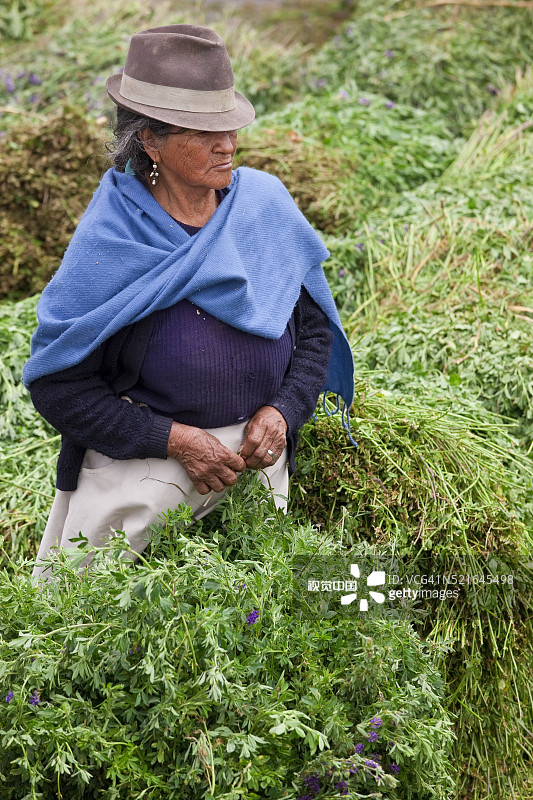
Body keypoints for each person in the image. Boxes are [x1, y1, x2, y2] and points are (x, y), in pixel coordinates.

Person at [23, 24, 354, 580]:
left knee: (257, 635)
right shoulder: (114, 238)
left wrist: (284, 412)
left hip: (254, 472)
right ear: (150, 140)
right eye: (202, 132)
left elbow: (314, 331)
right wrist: (174, 439)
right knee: (104, 639)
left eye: (228, 127)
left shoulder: (262, 207)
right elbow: (59, 386)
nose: (226, 144)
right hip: (143, 484)